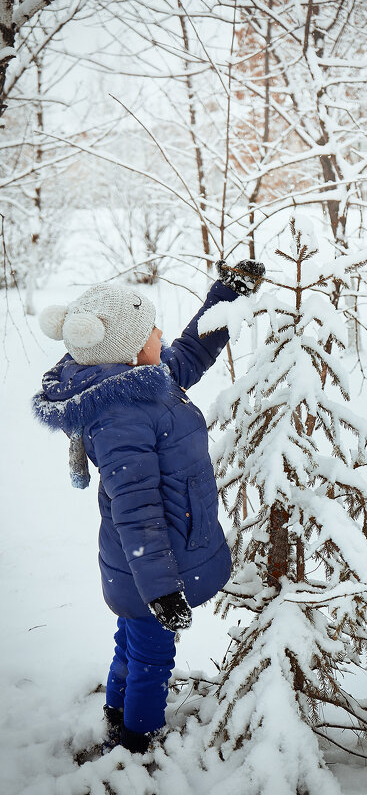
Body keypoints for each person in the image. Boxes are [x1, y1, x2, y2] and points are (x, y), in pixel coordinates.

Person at [32, 259, 264, 754]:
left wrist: (226, 296)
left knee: (132, 642)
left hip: (145, 562)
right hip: (151, 565)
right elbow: (135, 510)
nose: (162, 335)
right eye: (153, 331)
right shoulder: (121, 416)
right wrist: (161, 591)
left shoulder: (141, 380)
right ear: (133, 350)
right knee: (153, 656)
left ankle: (117, 715)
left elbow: (189, 351)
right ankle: (138, 742)